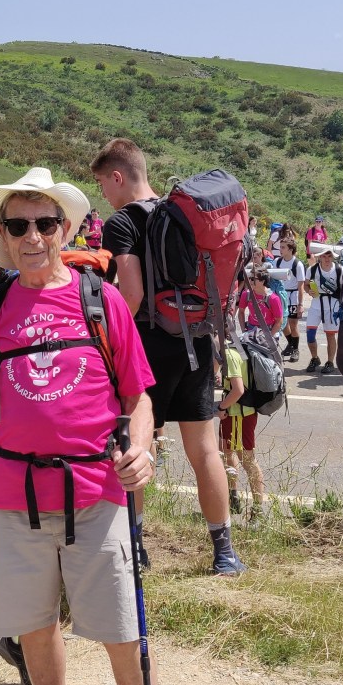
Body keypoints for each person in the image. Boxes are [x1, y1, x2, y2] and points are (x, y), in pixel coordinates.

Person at [0, 166, 172, 685]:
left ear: (64, 229)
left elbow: (138, 395)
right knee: (33, 622)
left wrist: (142, 449)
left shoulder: (99, 300)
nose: (32, 236)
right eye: (18, 225)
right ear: (3, 235)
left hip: (95, 492)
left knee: (121, 629)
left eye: (45, 223)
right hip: (11, 497)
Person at [92, 138, 247, 575]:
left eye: (103, 184)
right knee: (205, 451)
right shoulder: (180, 214)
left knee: (137, 446)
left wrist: (106, 341)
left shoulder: (122, 222)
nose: (103, 193)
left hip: (147, 345)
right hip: (195, 339)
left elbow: (132, 294)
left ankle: (135, 547)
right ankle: (224, 552)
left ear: (117, 177)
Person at [219, 330, 266, 519]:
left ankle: (257, 510)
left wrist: (221, 407)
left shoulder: (229, 354)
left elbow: (237, 390)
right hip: (238, 412)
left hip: (238, 413)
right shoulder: (237, 348)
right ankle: (233, 497)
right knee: (226, 452)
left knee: (247, 460)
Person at [304, 246, 343, 375]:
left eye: (329, 256)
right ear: (320, 257)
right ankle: (315, 358)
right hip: (316, 303)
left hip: (332, 305)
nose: (327, 259)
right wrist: (308, 291)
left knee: (330, 335)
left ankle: (330, 362)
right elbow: (306, 284)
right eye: (324, 256)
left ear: (333, 257)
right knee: (310, 333)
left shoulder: (339, 270)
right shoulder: (312, 269)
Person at [274, 238, 306, 362]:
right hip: (281, 296)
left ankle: (295, 349)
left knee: (293, 324)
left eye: (283, 247)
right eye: (280, 247)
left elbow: (301, 286)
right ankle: (291, 344)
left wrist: (300, 304)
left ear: (290, 249)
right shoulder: (277, 262)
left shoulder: (297, 264)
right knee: (282, 323)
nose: (280, 249)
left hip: (293, 296)